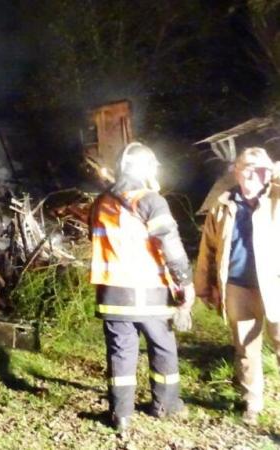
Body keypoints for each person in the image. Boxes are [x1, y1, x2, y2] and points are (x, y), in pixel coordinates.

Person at [89, 142, 195, 433]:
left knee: (120, 351)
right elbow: (170, 245)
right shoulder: (150, 200)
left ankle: (121, 413)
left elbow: (94, 237)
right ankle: (165, 405)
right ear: (143, 168)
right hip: (148, 291)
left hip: (112, 292)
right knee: (162, 347)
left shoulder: (100, 202)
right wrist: (185, 281)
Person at [195, 147, 280, 426]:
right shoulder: (222, 204)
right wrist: (203, 287)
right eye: (248, 168)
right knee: (245, 349)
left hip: (275, 285)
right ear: (236, 170)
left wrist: (270, 169)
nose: (255, 174)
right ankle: (252, 403)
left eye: (261, 169)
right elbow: (207, 247)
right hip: (237, 287)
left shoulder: (276, 197)